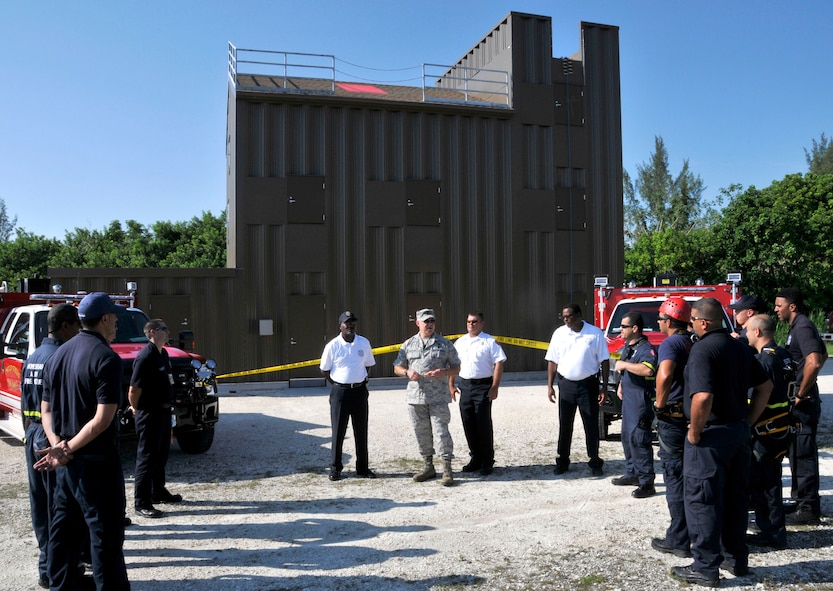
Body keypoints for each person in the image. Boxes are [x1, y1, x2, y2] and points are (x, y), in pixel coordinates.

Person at [670, 297, 771, 588]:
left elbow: (702, 396)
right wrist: (749, 421)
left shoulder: (702, 349)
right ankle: (735, 558)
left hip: (711, 436)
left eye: (691, 322)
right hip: (738, 433)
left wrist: (694, 433)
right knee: (736, 498)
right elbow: (765, 386)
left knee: (703, 500)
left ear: (702, 322)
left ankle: (704, 567)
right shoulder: (739, 347)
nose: (690, 326)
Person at [36, 292, 131, 591]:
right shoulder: (107, 359)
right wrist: (66, 448)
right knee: (105, 540)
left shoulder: (58, 355)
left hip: (66, 466)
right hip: (96, 465)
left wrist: (58, 446)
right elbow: (102, 420)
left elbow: (46, 410)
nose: (116, 322)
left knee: (63, 535)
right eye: (114, 317)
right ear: (104, 319)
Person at [21, 304, 81, 589]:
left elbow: (24, 400)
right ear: (66, 326)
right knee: (57, 505)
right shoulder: (60, 357)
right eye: (77, 327)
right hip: (51, 436)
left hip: (32, 433)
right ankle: (53, 569)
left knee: (40, 505)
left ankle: (47, 566)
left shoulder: (33, 356)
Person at [775, 287, 828, 525]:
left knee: (803, 453)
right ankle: (800, 501)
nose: (776, 309)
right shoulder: (798, 327)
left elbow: (815, 361)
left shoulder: (803, 326)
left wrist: (801, 391)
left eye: (779, 305)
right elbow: (824, 354)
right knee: (796, 452)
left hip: (803, 403)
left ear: (792, 306)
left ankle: (807, 508)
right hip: (802, 399)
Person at [393, 308, 460, 486]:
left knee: (441, 433)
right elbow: (397, 367)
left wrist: (444, 372)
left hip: (438, 397)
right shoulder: (408, 344)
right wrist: (407, 372)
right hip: (416, 398)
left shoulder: (445, 344)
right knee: (421, 433)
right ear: (418, 323)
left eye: (432, 321)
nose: (429, 324)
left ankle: (447, 469)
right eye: (426, 321)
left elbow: (457, 367)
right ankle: (428, 466)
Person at [650, 297, 693, 559]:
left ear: (668, 321)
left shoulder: (671, 343)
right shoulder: (691, 341)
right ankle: (689, 531)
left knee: (674, 477)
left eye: (659, 318)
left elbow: (664, 374)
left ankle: (678, 538)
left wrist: (659, 403)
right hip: (688, 418)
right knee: (688, 477)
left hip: (673, 419)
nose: (657, 322)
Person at [745, 314, 792, 549]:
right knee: (771, 480)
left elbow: (758, 397)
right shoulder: (782, 354)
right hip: (780, 428)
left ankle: (772, 533)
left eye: (746, 330)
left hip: (764, 430)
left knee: (764, 484)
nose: (744, 333)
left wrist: (748, 423)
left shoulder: (763, 361)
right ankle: (773, 529)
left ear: (757, 332)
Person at [545, 304, 609, 476]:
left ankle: (595, 460)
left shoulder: (594, 333)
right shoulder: (559, 334)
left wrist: (603, 387)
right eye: (563, 316)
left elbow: (604, 360)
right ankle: (563, 460)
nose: (566, 319)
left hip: (588, 385)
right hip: (566, 385)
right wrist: (550, 385)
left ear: (579, 315)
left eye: (569, 316)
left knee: (591, 424)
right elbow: (552, 360)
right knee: (565, 424)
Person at [129, 319, 181, 519]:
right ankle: (141, 502)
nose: (168, 332)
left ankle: (158, 491)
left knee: (161, 454)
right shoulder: (146, 356)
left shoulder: (163, 353)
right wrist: (135, 408)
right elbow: (134, 389)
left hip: (164, 412)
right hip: (149, 413)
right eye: (164, 329)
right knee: (147, 457)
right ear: (152, 332)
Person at [448, 311, 507, 477]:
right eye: (468, 322)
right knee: (468, 422)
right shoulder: (460, 342)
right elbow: (454, 364)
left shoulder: (489, 341)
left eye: (474, 322)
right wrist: (451, 384)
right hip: (465, 385)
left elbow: (499, 363)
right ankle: (475, 458)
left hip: (483, 386)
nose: (471, 324)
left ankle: (487, 461)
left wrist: (495, 386)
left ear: (482, 323)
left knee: (483, 423)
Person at [320, 310, 377, 481]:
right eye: (347, 323)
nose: (350, 325)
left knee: (361, 430)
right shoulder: (333, 345)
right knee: (338, 431)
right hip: (340, 393)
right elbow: (325, 370)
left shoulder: (363, 343)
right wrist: (339, 384)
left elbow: (368, 365)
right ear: (340, 326)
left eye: (352, 322)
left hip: (359, 391)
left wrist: (358, 379)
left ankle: (363, 468)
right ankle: (335, 468)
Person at [611, 312, 657, 498]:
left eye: (623, 326)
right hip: (629, 400)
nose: (620, 329)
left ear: (635, 328)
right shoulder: (629, 346)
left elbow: (648, 368)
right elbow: (627, 368)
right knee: (627, 438)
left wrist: (624, 365)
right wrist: (622, 383)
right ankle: (633, 473)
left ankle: (647, 482)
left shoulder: (646, 348)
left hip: (641, 401)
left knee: (639, 439)